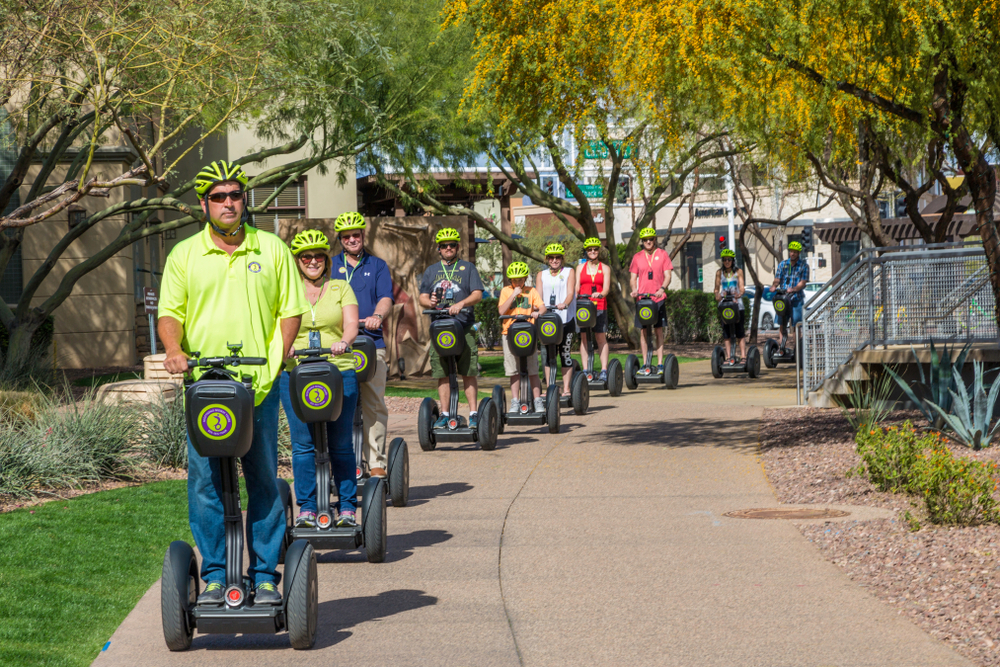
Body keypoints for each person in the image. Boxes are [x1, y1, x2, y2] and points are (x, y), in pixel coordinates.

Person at [158, 160, 308, 606]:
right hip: (204, 388)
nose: (228, 203)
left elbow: (290, 311)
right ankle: (215, 576)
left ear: (245, 200)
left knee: (262, 479)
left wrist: (277, 360)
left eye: (235, 195)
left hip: (258, 386)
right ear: (204, 204)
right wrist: (173, 349)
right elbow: (170, 314)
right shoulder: (184, 254)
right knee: (205, 484)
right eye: (219, 197)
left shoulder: (272, 249)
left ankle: (264, 576)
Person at [279, 229, 360, 528]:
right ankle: (307, 508)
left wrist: (344, 341)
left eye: (318, 256)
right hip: (296, 372)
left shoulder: (340, 287)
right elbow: (276, 325)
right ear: (297, 261)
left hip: (338, 370)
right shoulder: (286, 290)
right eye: (306, 257)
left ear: (326, 260)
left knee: (340, 443)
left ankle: (347, 507)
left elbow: (351, 323)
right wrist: (284, 347)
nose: (312, 261)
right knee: (302, 444)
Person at [329, 211, 394, 478]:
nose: (352, 240)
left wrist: (377, 316)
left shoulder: (377, 265)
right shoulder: (330, 266)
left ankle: (376, 461)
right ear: (340, 240)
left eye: (356, 235)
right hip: (337, 346)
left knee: (373, 403)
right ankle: (337, 463)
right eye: (346, 237)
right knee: (335, 404)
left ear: (363, 235)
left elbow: (386, 298)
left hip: (370, 342)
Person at [418, 227, 485, 428]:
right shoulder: (431, 270)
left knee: (468, 371)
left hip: (464, 326)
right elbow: (422, 297)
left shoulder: (468, 268)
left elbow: (477, 294)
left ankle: (473, 413)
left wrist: (461, 304)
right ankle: (445, 414)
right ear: (438, 248)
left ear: (458, 247)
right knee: (442, 372)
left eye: (452, 245)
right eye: (444, 245)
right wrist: (430, 302)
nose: (448, 248)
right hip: (440, 328)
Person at [499, 261, 545, 412]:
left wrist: (538, 312)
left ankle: (537, 400)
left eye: (520, 279)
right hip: (509, 333)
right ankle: (515, 401)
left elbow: (542, 307)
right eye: (514, 280)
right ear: (510, 280)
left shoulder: (531, 291)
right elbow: (501, 311)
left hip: (528, 334)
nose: (517, 282)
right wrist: (513, 295)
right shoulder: (506, 291)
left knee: (532, 369)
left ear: (525, 278)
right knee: (513, 370)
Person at [629, 227, 673, 375]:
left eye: (651, 239)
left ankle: (660, 364)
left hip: (657, 298)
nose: (648, 242)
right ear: (642, 242)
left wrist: (662, 288)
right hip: (642, 300)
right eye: (645, 240)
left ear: (655, 240)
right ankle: (645, 364)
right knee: (643, 332)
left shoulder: (662, 254)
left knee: (658, 330)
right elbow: (633, 278)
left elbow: (668, 275)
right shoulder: (637, 257)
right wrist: (634, 290)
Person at [536, 243, 576, 398]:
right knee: (548, 355)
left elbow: (571, 292)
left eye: (557, 257)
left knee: (564, 353)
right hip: (547, 322)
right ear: (547, 259)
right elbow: (538, 296)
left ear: (562, 258)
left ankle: (566, 389)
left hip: (565, 319)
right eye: (551, 257)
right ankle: (550, 388)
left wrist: (564, 303)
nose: (554, 260)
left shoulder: (569, 272)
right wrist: (538, 308)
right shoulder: (541, 275)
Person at [576, 237, 611, 382]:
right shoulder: (580, 268)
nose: (592, 251)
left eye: (595, 249)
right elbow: (577, 286)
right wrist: (575, 296)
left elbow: (606, 288)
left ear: (598, 250)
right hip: (584, 307)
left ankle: (604, 370)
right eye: (589, 249)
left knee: (600, 337)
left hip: (599, 305)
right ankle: (585, 370)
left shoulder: (605, 268)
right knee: (584, 337)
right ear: (586, 251)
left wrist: (600, 293)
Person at [770, 240, 809, 349]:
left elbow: (803, 282)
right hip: (783, 299)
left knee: (796, 325)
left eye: (795, 252)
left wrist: (794, 289)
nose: (792, 254)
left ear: (799, 253)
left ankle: (797, 349)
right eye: (791, 251)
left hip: (796, 299)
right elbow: (777, 278)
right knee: (782, 324)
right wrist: (774, 286)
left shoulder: (804, 266)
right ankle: (782, 348)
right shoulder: (783, 264)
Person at [714, 249, 746, 364]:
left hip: (737, 305)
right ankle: (729, 357)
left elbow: (742, 287)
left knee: (739, 332)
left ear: (733, 260)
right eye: (724, 260)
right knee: (726, 333)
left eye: (729, 259)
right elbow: (716, 289)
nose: (727, 262)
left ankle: (743, 357)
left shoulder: (738, 271)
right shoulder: (719, 273)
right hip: (725, 306)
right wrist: (717, 295)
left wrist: (740, 293)